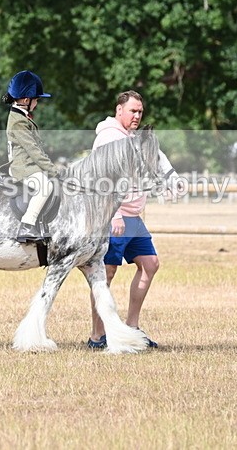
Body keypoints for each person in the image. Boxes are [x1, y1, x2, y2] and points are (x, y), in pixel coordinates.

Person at [87, 90, 177, 349]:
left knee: (150, 264)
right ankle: (98, 336)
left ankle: (133, 328)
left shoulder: (132, 137)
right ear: (119, 111)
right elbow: (101, 177)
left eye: (140, 111)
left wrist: (168, 184)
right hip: (113, 216)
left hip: (134, 217)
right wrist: (114, 213)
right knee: (106, 274)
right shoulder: (109, 137)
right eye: (132, 111)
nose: (137, 116)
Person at [3, 70, 60, 243]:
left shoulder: (21, 116)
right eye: (36, 99)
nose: (37, 103)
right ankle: (27, 225)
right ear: (26, 100)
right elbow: (33, 150)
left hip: (29, 165)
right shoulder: (19, 121)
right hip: (23, 167)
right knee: (46, 186)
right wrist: (52, 170)